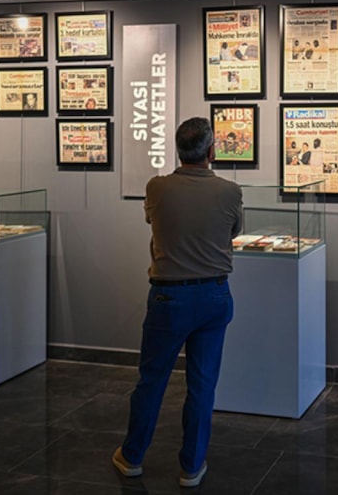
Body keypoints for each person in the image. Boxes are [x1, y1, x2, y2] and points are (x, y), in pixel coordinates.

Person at [112, 117, 243, 489]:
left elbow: (152, 219)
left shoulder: (157, 187)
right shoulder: (230, 191)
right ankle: (192, 465)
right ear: (211, 150)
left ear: (178, 150)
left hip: (169, 295)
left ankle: (132, 456)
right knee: (202, 385)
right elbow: (235, 230)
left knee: (152, 380)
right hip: (214, 294)